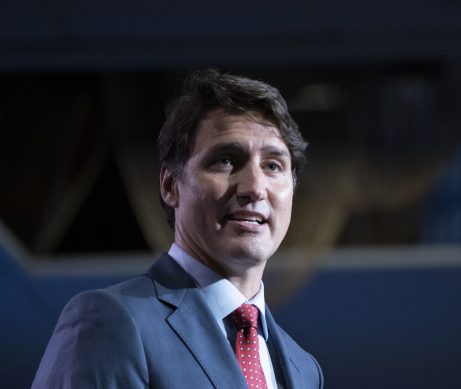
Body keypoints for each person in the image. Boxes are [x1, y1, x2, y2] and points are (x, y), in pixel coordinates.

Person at [32, 69, 323, 389]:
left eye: (273, 166)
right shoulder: (112, 322)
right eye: (225, 160)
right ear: (171, 185)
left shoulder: (304, 369)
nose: (255, 187)